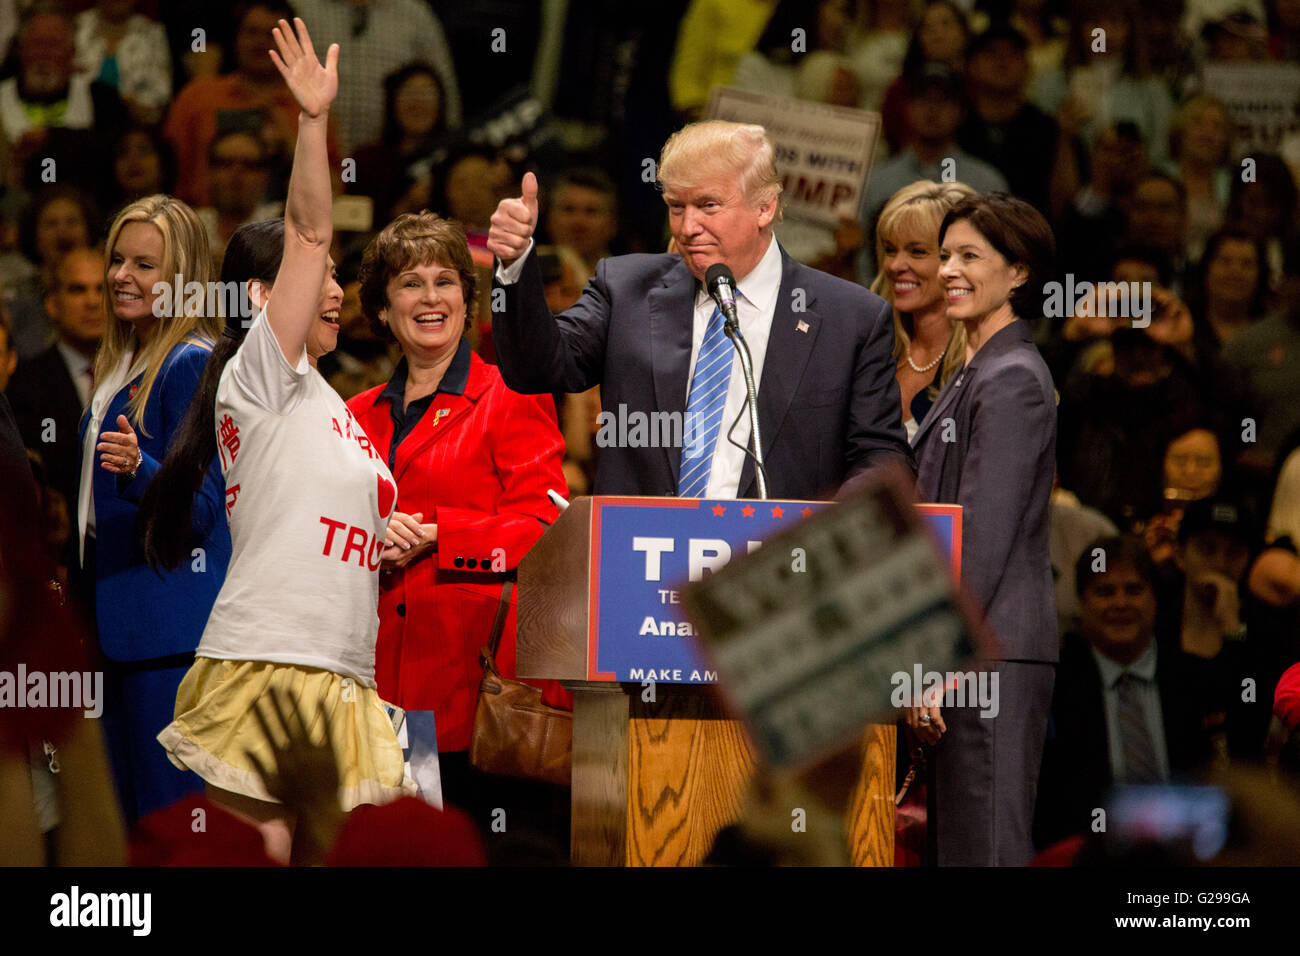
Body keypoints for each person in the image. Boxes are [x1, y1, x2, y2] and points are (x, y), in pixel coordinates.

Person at [143, 18, 412, 865]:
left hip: (345, 667)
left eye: (332, 278)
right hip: (271, 657)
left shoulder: (327, 403)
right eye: (327, 279)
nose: (338, 289)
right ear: (265, 298)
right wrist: (310, 124)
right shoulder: (262, 372)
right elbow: (306, 231)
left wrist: (385, 533)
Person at [489, 119, 914, 500]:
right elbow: (538, 368)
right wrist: (514, 265)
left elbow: (880, 456)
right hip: (641, 559)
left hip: (774, 567)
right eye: (677, 207)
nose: (688, 228)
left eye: (709, 205)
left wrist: (828, 526)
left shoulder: (850, 317)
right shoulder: (626, 288)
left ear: (765, 206)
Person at [344, 210, 569, 837]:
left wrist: (443, 534)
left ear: (469, 303)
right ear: (383, 310)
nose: (431, 297)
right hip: (376, 681)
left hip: (473, 684)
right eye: (410, 283)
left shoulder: (512, 394)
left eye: (446, 281)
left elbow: (545, 526)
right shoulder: (352, 416)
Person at [907, 192, 1058, 866]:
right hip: (968, 654)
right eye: (945, 256)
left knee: (984, 850)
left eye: (971, 256)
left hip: (986, 655)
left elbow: (982, 532)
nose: (948, 270)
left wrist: (940, 661)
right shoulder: (974, 372)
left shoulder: (1013, 377)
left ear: (1018, 272)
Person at [75, 192, 230, 824]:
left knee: (169, 830)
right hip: (115, 631)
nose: (121, 276)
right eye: (118, 259)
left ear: (182, 279)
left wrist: (142, 471)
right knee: (121, 827)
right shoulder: (120, 363)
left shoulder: (189, 363)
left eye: (144, 264)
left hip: (165, 641)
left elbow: (202, 510)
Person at [1032, 535, 1216, 850]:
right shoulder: (1053, 688)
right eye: (1105, 591)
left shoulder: (1196, 679)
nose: (1120, 603)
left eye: (1134, 590)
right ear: (1081, 601)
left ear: (1155, 598)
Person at [870, 180, 973, 441]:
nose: (895, 265)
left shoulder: (985, 365)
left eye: (917, 252)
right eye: (890, 250)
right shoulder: (871, 349)